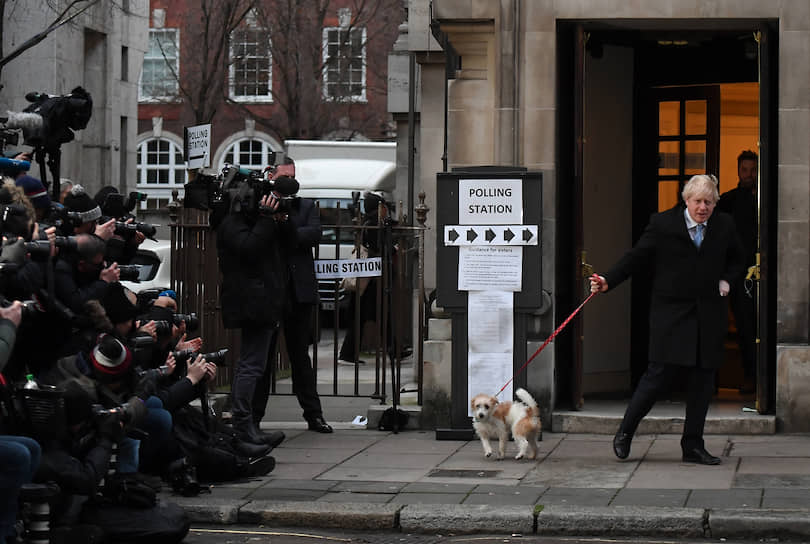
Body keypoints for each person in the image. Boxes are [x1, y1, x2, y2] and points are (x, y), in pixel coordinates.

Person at [590, 174, 745, 465]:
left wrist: (727, 279)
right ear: (686, 200)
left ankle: (693, 446)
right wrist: (608, 280)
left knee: (702, 382)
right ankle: (625, 432)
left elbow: (739, 258)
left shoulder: (724, 225)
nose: (703, 208)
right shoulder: (662, 224)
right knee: (657, 378)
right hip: (672, 314)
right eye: (698, 202)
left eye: (709, 203)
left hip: (708, 314)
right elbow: (636, 257)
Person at [252, 176, 332, 433]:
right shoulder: (262, 209)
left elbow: (312, 235)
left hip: (299, 293)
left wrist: (285, 221)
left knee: (300, 358)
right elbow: (259, 240)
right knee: (262, 358)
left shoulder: (306, 207)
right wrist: (270, 218)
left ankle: (313, 414)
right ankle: (253, 416)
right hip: (272, 292)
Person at [216, 183, 286, 448]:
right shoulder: (233, 225)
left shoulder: (257, 223)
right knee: (250, 365)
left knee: (253, 364)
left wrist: (276, 220)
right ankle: (243, 426)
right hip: (252, 304)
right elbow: (249, 249)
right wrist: (267, 220)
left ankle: (247, 425)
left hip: (262, 302)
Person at [717, 150, 758, 393]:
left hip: (764, 272)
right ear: (738, 171)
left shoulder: (767, 199)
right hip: (739, 274)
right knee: (744, 328)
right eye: (745, 170)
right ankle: (749, 376)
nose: (749, 175)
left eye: (753, 170)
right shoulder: (728, 201)